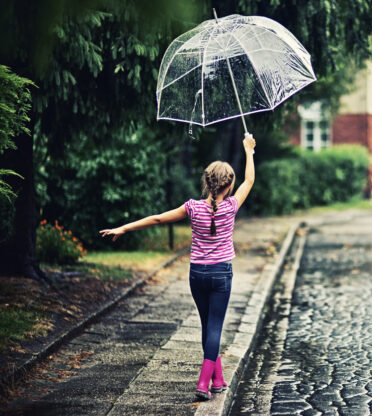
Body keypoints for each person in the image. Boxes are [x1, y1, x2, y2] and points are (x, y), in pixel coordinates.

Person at [100, 134, 256, 401]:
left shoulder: (192, 207)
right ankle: (203, 383)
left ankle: (218, 381)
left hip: (197, 274)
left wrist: (124, 227)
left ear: (207, 182)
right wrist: (248, 150)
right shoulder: (231, 206)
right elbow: (250, 180)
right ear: (228, 186)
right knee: (215, 328)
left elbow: (159, 218)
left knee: (208, 326)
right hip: (221, 274)